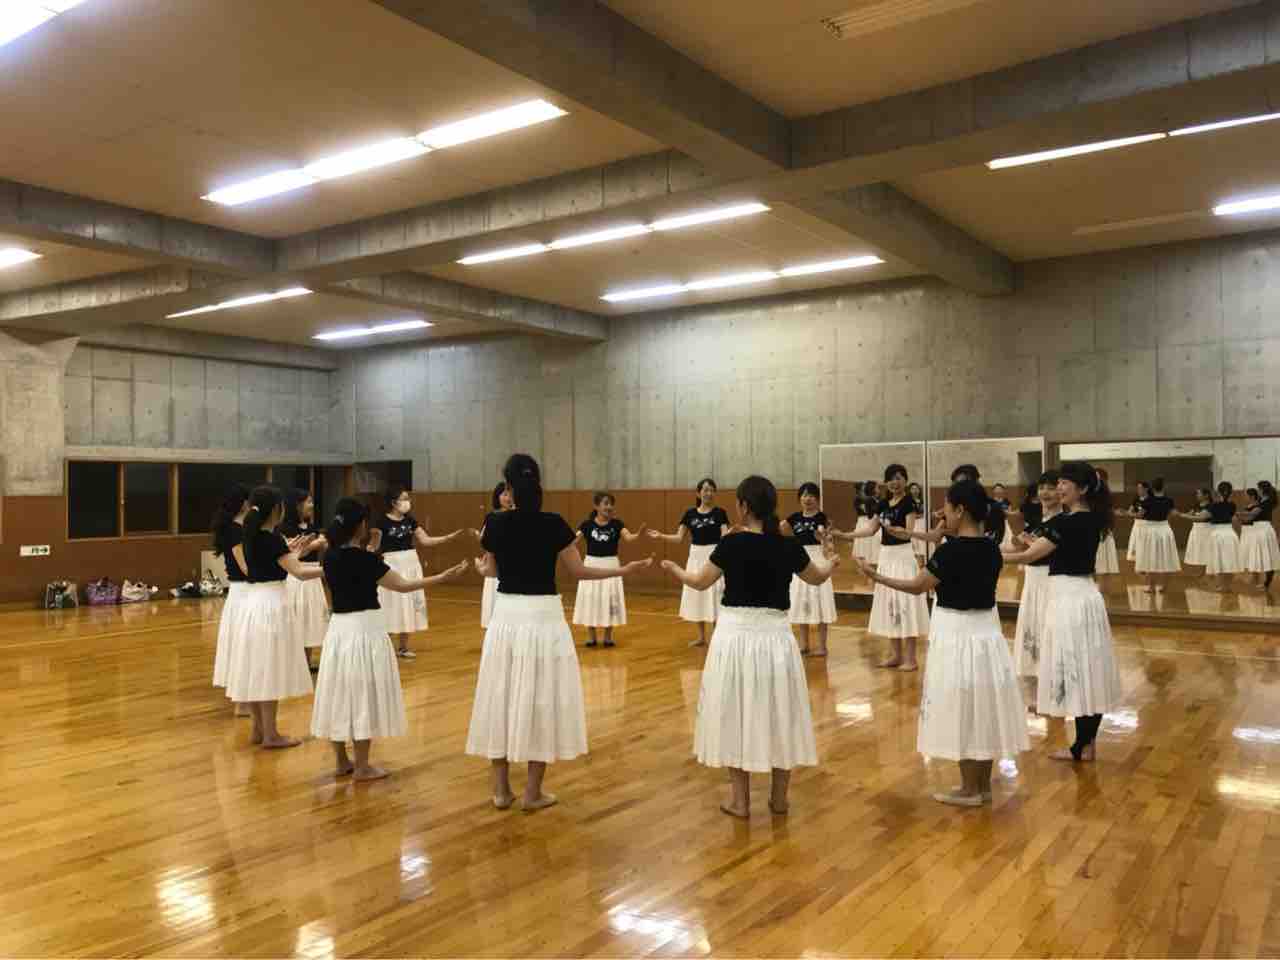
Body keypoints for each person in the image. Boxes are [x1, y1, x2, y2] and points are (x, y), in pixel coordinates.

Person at [467, 454, 652, 811]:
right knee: (542, 698)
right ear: (539, 485)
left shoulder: (494, 523)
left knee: (501, 694)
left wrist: (481, 568)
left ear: (508, 488)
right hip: (544, 618)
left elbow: (490, 572)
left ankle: (501, 791)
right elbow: (579, 572)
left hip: (506, 616)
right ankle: (532, 793)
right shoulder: (554, 524)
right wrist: (622, 571)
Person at [661, 475, 837, 818]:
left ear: (743, 507)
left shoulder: (732, 544)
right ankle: (779, 800)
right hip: (776, 640)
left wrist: (675, 569)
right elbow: (817, 577)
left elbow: (699, 582)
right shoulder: (787, 546)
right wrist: (832, 561)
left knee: (735, 713)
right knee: (780, 713)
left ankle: (740, 802)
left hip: (734, 639)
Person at [861, 480, 1028, 806]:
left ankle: (969, 789)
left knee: (962, 708)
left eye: (947, 508)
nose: (942, 515)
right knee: (981, 708)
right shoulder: (991, 548)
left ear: (960, 510)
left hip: (956, 635)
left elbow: (916, 586)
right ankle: (981, 786)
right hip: (987, 637)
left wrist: (876, 575)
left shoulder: (950, 551)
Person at [312, 498, 468, 781]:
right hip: (365, 629)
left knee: (339, 692)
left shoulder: (329, 556)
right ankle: (362, 766)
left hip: (338, 631)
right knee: (364, 695)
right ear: (360, 525)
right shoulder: (367, 560)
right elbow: (404, 586)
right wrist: (442, 577)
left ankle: (342, 761)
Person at [1003, 461, 1123, 762]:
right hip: (1085, 597)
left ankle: (1082, 745)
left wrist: (982, 552)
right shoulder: (1093, 519)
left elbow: (1028, 556)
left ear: (1082, 488)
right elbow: (1057, 549)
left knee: (1077, 669)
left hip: (1069, 601)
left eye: (1064, 483)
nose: (1058, 488)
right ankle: (1085, 744)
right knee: (1088, 669)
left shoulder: (1065, 523)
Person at [226, 485, 325, 749]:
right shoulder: (272, 540)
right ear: (276, 510)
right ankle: (271, 734)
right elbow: (299, 572)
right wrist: (332, 567)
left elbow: (275, 561)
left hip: (253, 605)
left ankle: (258, 730)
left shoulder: (250, 536)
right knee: (269, 669)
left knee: (256, 668)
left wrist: (292, 551)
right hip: (271, 606)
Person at [368, 484, 470, 659]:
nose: (408, 501)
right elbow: (374, 546)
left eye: (408, 498)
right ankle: (385, 646)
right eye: (404, 498)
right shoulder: (380, 522)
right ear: (393, 502)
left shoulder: (410, 520)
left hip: (410, 563)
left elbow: (426, 540)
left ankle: (403, 647)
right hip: (391, 563)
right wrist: (370, 548)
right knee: (391, 603)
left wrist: (449, 537)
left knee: (408, 603)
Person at [646, 478, 730, 646]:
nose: (708, 493)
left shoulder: (720, 513)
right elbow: (679, 538)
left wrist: (733, 535)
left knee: (716, 594)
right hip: (696, 557)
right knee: (698, 594)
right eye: (705, 490)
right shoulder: (689, 514)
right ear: (698, 493)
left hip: (715, 555)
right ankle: (701, 637)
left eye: (711, 490)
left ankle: (716, 637)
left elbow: (725, 536)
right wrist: (661, 536)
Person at [868, 464, 930, 670]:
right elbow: (870, 529)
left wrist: (898, 531)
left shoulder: (909, 502)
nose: (894, 482)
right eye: (891, 479)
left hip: (903, 556)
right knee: (890, 603)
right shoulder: (882, 504)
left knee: (906, 603)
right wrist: (843, 534)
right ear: (886, 482)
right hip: (886, 556)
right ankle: (895, 655)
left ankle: (911, 658)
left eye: (898, 478)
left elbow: (908, 531)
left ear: (905, 480)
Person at [1009, 470, 1060, 710]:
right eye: (1042, 488)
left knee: (1049, 632)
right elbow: (1022, 548)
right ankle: (1037, 689)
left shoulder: (1064, 521)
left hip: (1051, 581)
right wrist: (1020, 541)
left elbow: (1045, 552)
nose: (1045, 493)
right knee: (1033, 630)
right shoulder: (1036, 519)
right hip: (1032, 581)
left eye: (1051, 487)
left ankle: (1055, 690)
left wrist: (1030, 546)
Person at [572, 492, 645, 648]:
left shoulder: (617, 524)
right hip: (591, 564)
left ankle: (608, 636)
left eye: (611, 504)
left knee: (610, 599)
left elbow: (629, 538)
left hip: (611, 565)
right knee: (591, 598)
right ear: (596, 506)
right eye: (605, 503)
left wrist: (638, 534)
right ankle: (591, 636)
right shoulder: (586, 525)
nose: (609, 506)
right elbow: (572, 541)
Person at [782, 482, 837, 657]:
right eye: (804, 495)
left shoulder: (823, 518)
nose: (808, 499)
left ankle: (822, 646)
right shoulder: (794, 518)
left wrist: (824, 540)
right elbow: (779, 530)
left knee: (820, 603)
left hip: (819, 560)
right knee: (801, 602)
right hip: (799, 561)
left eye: (812, 495)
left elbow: (829, 545)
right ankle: (804, 644)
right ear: (800, 498)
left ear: (817, 499)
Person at [211, 483, 251, 716]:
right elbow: (245, 566)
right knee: (243, 646)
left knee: (245, 646)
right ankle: (242, 702)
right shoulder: (235, 531)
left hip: (243, 593)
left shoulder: (240, 528)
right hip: (243, 593)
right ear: (244, 503)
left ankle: (245, 700)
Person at [281, 488, 329, 670]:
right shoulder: (285, 528)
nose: (311, 505)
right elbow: (293, 555)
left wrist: (323, 544)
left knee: (312, 617)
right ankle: (296, 663)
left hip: (313, 573)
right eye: (308, 502)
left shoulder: (312, 527)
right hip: (296, 574)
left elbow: (322, 547)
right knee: (298, 616)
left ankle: (307, 661)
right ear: (297, 505)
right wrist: (314, 544)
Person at [1131, 477, 1180, 593]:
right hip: (1165, 529)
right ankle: (1164, 586)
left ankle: (1151, 587)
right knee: (1167, 558)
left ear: (1152, 488)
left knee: (1150, 557)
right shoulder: (1169, 500)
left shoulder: (1147, 500)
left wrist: (1127, 514)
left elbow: (1139, 515)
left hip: (1150, 530)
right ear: (1163, 487)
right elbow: (1174, 513)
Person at [477, 482, 513, 629]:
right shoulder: (491, 517)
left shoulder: (518, 515)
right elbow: (484, 539)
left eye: (510, 495)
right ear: (497, 497)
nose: (508, 498)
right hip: (495, 564)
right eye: (505, 494)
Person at [1240, 481, 1280, 590]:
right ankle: (1262, 581)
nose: (1257, 490)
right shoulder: (1263, 501)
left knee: (1268, 557)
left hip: (1263, 530)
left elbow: (1252, 514)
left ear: (1262, 490)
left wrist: (1238, 514)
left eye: (1258, 489)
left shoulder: (1266, 502)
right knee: (1264, 556)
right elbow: (1251, 515)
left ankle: (1266, 583)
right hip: (1260, 529)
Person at [1180, 487, 1213, 568]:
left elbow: (1200, 518)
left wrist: (1182, 515)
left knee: (1206, 550)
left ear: (1206, 495)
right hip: (1195, 530)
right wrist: (1181, 514)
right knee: (1197, 551)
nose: (1197, 495)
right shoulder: (1196, 506)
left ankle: (1208, 568)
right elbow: (1189, 514)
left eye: (1199, 493)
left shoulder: (1211, 506)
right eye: (1197, 494)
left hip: (1206, 530)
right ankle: (1200, 568)